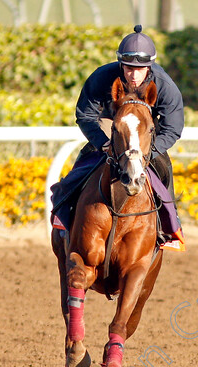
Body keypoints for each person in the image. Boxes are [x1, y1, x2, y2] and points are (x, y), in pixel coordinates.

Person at [50, 25, 185, 246]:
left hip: (145, 127)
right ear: (121, 63)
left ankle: (170, 224)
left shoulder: (165, 86)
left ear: (149, 67)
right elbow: (85, 115)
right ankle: (64, 210)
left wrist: (149, 150)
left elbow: (173, 128)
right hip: (112, 122)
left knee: (163, 165)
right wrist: (102, 143)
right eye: (129, 68)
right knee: (88, 157)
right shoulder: (102, 77)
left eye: (140, 69)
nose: (133, 75)